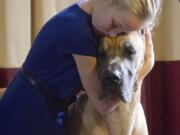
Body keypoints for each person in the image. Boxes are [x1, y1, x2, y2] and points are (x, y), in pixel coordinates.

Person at [0, 0, 161, 134]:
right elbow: (103, 105)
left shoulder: (87, 12)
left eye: (122, 30)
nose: (112, 34)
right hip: (28, 110)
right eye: (114, 24)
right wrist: (145, 68)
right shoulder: (79, 32)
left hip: (49, 106)